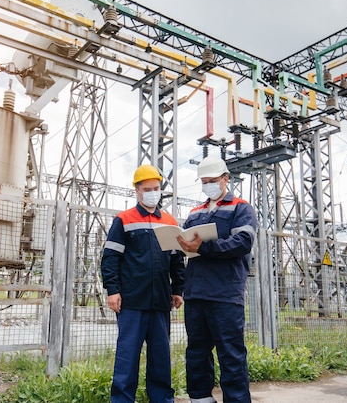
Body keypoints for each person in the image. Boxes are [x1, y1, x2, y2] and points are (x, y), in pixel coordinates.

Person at [101, 164, 185, 403]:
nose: (152, 192)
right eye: (147, 188)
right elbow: (110, 258)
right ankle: (122, 400)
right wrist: (113, 290)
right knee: (128, 356)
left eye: (156, 188)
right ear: (137, 191)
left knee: (160, 357)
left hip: (160, 301)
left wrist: (178, 289)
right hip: (131, 302)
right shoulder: (123, 220)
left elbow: (176, 260)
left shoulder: (169, 221)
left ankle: (161, 399)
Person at [176, 156, 257, 403]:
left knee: (231, 354)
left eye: (212, 180)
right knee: (196, 353)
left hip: (225, 294)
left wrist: (205, 248)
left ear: (225, 179)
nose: (208, 185)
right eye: (204, 181)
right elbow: (189, 247)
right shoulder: (195, 212)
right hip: (196, 292)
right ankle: (200, 399)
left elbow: (243, 242)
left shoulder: (242, 208)